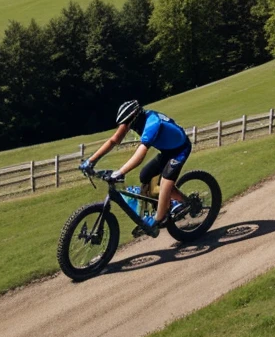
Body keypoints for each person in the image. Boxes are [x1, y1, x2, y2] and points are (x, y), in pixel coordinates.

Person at [80, 99, 192, 237]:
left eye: (127, 123)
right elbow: (113, 140)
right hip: (167, 150)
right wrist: (90, 161)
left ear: (134, 118)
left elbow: (140, 154)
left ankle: (160, 217)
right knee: (145, 176)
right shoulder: (134, 120)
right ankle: (168, 202)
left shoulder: (152, 123)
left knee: (164, 182)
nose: (126, 127)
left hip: (180, 149)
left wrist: (120, 172)